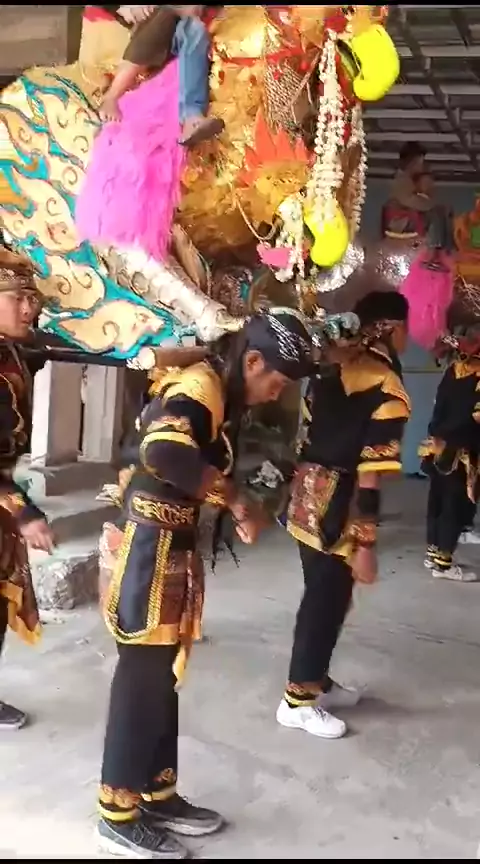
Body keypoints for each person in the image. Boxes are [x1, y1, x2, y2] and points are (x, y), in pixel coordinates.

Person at [96, 308, 314, 859]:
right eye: (276, 381)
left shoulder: (218, 389)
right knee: (142, 676)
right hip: (147, 545)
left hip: (170, 541)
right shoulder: (200, 387)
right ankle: (117, 813)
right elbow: (162, 452)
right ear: (254, 360)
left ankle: (156, 792)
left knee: (161, 674)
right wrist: (234, 499)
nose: (275, 393)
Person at [277, 291, 411, 740]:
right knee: (326, 601)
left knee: (325, 596)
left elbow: (304, 435)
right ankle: (297, 701)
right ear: (394, 329)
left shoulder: (328, 372)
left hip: (306, 496)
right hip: (340, 506)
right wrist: (366, 545)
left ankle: (318, 681)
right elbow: (370, 474)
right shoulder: (386, 385)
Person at [0, 248, 55, 730]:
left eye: (32, 299)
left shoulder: (15, 350)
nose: (28, 309)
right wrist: (24, 510)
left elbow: (76, 344)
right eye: (16, 298)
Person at [99, 4, 225, 147]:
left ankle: (192, 118)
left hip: (181, 25)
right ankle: (112, 96)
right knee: (165, 14)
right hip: (152, 25)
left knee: (194, 28)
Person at [420, 328, 480, 582]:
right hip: (461, 451)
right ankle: (443, 564)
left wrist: (436, 437)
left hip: (437, 446)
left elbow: (438, 411)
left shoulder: (452, 371)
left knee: (437, 502)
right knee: (454, 506)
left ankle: (433, 553)